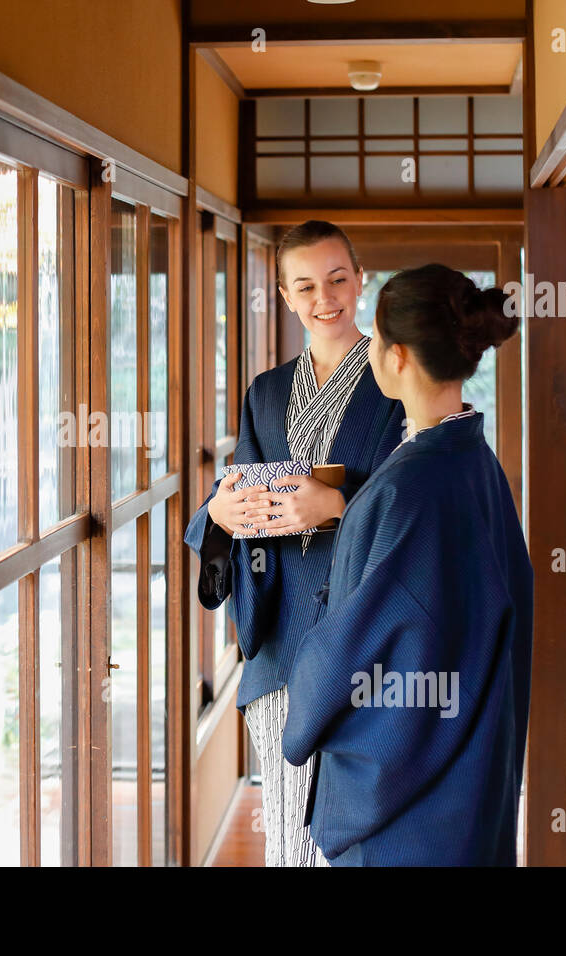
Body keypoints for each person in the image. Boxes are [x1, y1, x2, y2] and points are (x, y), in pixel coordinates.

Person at [281, 263, 533, 866]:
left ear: (397, 357)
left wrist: (305, 700)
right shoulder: (472, 460)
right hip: (469, 763)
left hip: (414, 804)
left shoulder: (411, 486)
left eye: (373, 337)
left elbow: (356, 643)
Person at [184, 220, 405, 866]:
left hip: (367, 640)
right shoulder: (267, 393)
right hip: (281, 645)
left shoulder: (397, 380)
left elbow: (422, 504)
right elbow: (242, 495)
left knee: (361, 828)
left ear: (361, 280)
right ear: (283, 295)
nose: (324, 297)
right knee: (287, 832)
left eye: (338, 278)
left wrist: (338, 503)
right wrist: (219, 512)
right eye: (305, 285)